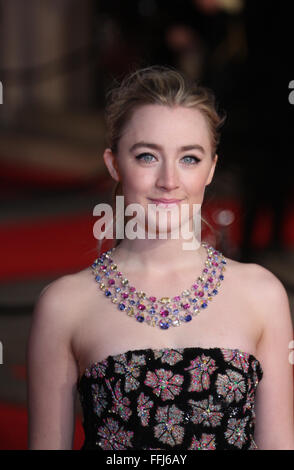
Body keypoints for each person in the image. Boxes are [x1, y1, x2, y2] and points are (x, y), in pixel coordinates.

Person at [26, 66, 294, 450]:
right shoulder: (64, 305)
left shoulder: (262, 294)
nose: (169, 180)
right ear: (114, 163)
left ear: (211, 169)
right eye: (148, 156)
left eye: (189, 159)